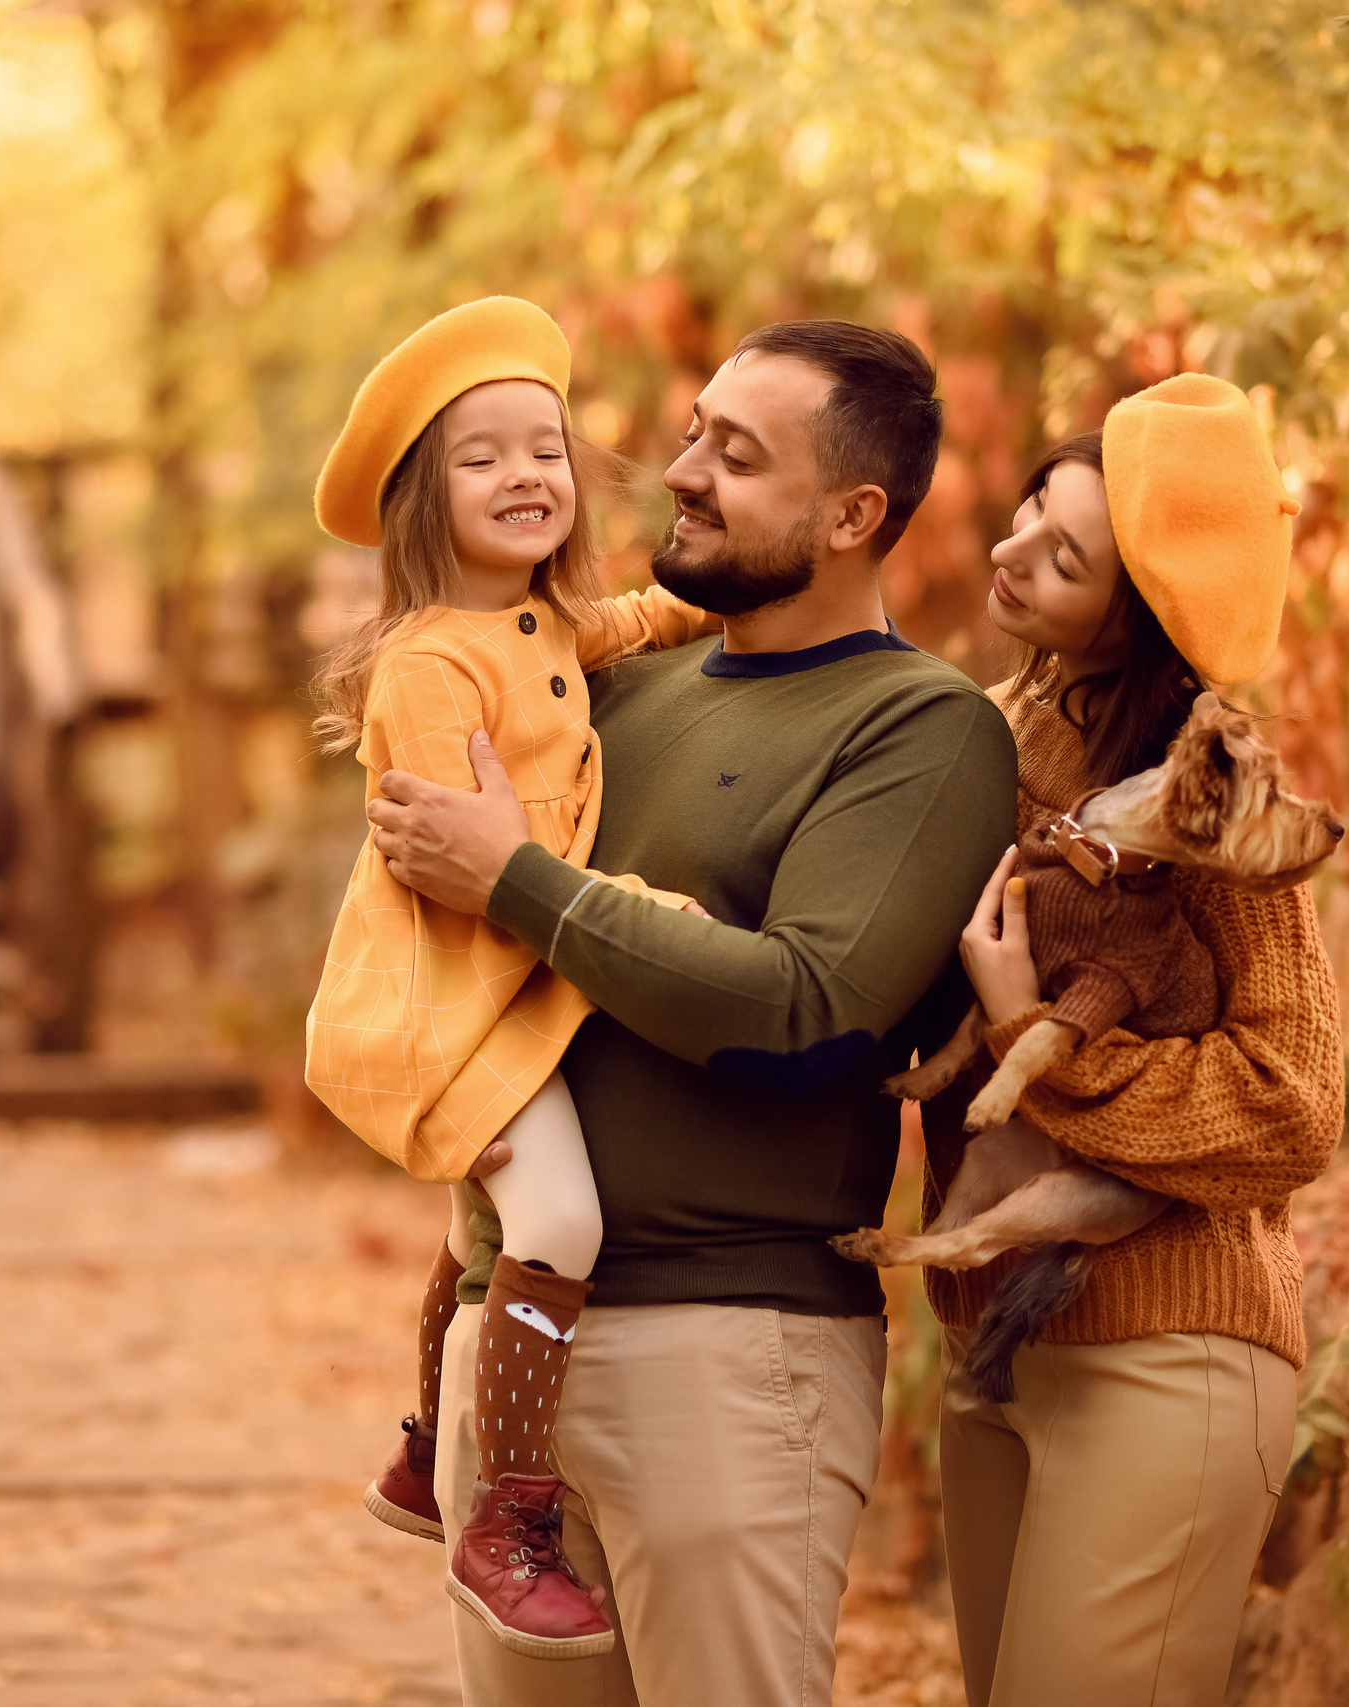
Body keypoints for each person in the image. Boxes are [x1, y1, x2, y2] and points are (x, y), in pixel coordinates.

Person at [366, 320, 1016, 1706]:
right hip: (511, 1337)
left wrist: (521, 881)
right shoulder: (604, 692)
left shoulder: (918, 726)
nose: (681, 472)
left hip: (724, 1354)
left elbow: (807, 1010)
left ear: (852, 515)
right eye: (694, 434)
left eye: (738, 455)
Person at [303, 296, 722, 1661]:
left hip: (503, 986)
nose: (526, 474)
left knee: (469, 1225)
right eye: (481, 457)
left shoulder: (535, 623)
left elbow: (621, 626)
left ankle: (430, 1448)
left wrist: (714, 595)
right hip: (453, 996)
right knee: (557, 1220)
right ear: (422, 502)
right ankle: (507, 1516)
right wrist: (624, 908)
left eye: (546, 448)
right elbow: (454, 869)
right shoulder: (428, 664)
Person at [931, 373, 1346, 1705]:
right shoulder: (986, 731)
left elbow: (1293, 1101)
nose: (1012, 554)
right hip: (996, 1344)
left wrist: (1038, 1041)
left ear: (1142, 619)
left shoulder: (1203, 791)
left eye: (1065, 560)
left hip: (1169, 1357)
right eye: (1029, 514)